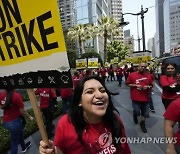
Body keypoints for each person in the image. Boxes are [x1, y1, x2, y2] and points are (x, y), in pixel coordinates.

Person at [39, 76, 131, 154]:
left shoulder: (115, 120)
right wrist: (50, 151)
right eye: (90, 92)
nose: (99, 95)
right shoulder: (65, 124)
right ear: (79, 101)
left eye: (102, 90)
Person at [0, 89, 33, 154]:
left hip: (6, 122)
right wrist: (29, 117)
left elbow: (1, 106)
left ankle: (24, 147)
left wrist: (8, 106)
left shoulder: (2, 94)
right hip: (15, 123)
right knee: (14, 143)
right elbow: (22, 111)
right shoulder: (17, 96)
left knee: (20, 133)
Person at [126, 63, 153, 133]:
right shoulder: (132, 75)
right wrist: (135, 85)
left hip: (146, 98)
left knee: (145, 113)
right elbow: (127, 84)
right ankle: (135, 115)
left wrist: (148, 87)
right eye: (141, 66)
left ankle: (142, 123)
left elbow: (151, 85)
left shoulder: (149, 76)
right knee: (136, 111)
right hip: (135, 98)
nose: (143, 68)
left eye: (145, 66)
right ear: (138, 67)